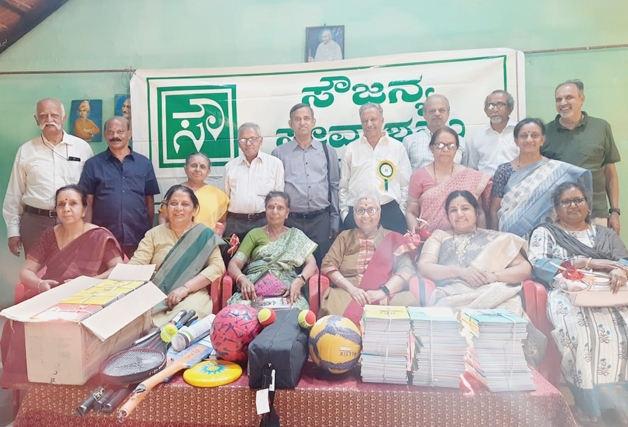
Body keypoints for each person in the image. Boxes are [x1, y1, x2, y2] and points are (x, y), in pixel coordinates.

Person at [0, 185, 124, 386]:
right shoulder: (49, 235)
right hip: (53, 296)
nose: (66, 208)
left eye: (73, 203)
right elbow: (26, 271)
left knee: (74, 330)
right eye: (61, 204)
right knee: (20, 325)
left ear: (84, 209)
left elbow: (118, 268)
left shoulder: (99, 235)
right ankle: (34, 382)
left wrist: (88, 282)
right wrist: (40, 284)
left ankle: (78, 379)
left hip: (88, 298)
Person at [528, 181, 628, 426]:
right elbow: (539, 264)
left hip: (609, 295)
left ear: (588, 205)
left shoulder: (605, 234)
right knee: (580, 334)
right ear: (556, 208)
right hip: (567, 295)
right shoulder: (546, 233)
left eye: (578, 200)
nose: (573, 205)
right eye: (566, 202)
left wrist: (620, 270)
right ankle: (588, 406)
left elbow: (623, 259)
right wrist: (585, 263)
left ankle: (617, 405)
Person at [4, 98, 93, 257]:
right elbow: (14, 193)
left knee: (73, 268)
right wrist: (13, 231)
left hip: (73, 221)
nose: (49, 120)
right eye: (43, 116)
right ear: (36, 119)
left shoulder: (82, 148)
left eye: (54, 115)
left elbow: (91, 190)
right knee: (36, 270)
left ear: (63, 118)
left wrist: (88, 224)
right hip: (35, 222)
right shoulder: (26, 150)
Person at [418, 190, 531, 316]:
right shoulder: (439, 236)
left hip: (492, 293)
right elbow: (424, 266)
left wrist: (494, 276)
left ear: (476, 212)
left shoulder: (497, 239)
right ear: (447, 216)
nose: (459, 214)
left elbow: (524, 267)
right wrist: (460, 272)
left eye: (465, 208)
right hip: (453, 296)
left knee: (507, 316)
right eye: (453, 210)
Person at [129, 185, 225, 326]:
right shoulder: (153, 234)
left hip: (191, 293)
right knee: (133, 316)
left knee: (189, 313)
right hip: (155, 292)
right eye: (174, 203)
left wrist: (185, 288)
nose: (179, 208)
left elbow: (217, 266)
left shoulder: (204, 235)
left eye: (185, 204)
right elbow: (137, 264)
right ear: (166, 208)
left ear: (194, 210)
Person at [320, 193, 418, 325]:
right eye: (360, 211)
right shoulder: (344, 237)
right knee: (332, 306)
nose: (365, 216)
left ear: (379, 213)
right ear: (354, 214)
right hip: (348, 294)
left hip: (385, 293)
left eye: (371, 210)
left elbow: (406, 269)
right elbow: (328, 265)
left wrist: (382, 292)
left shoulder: (393, 237)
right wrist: (352, 289)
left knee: (410, 302)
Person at [542, 80, 621, 234]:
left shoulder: (601, 127)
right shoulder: (545, 132)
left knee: (599, 250)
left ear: (582, 99)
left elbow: (610, 174)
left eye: (569, 97)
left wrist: (615, 211)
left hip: (596, 212)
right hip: (559, 214)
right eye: (558, 99)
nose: (563, 103)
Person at [489, 118, 591, 237]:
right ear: (516, 141)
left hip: (548, 236)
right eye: (523, 136)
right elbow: (494, 210)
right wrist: (497, 239)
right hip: (511, 237)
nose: (529, 140)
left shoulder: (556, 170)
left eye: (535, 135)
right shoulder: (504, 170)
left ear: (542, 140)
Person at [79, 116, 160, 258]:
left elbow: (149, 201)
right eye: (110, 132)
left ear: (129, 133)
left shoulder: (144, 163)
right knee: (106, 272)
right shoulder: (93, 164)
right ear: (105, 135)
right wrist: (89, 233)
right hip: (104, 237)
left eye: (120, 132)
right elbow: (88, 203)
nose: (115, 136)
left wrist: (147, 231)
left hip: (138, 237)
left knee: (136, 272)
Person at [272, 103, 340, 265]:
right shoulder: (279, 153)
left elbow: (334, 186)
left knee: (323, 267)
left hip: (321, 221)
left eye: (306, 118)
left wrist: (335, 220)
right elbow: (276, 193)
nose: (302, 123)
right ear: (291, 124)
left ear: (313, 122)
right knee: (293, 268)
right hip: (292, 222)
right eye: (297, 119)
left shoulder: (327, 150)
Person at [227, 191, 317, 311]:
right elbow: (234, 264)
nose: (275, 212)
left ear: (287, 213)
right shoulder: (254, 234)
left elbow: (311, 263)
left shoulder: (296, 236)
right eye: (270, 207)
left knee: (297, 310)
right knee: (239, 312)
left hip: (286, 290)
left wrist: (299, 281)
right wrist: (243, 280)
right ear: (265, 211)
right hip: (254, 290)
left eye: (280, 208)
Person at [340, 103, 411, 235]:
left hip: (390, 212)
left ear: (382, 120)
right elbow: (343, 186)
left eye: (373, 119)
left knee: (393, 249)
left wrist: (401, 211)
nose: (369, 124)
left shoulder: (397, 148)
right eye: (365, 121)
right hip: (358, 213)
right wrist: (345, 214)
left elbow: (405, 185)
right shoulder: (351, 149)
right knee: (359, 249)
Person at [406, 127, 492, 233]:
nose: (445, 150)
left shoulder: (471, 176)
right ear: (431, 148)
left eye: (451, 146)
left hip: (467, 238)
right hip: (429, 238)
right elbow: (411, 212)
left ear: (456, 149)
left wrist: (479, 238)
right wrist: (417, 237)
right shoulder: (419, 175)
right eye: (440, 145)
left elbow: (480, 212)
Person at [224, 122, 284, 242]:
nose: (248, 143)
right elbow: (225, 199)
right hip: (235, 223)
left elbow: (279, 198)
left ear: (261, 141)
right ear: (238, 143)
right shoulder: (230, 166)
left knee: (263, 254)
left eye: (253, 139)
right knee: (234, 254)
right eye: (243, 140)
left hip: (263, 222)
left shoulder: (274, 164)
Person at [158, 152, 228, 232]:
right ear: (185, 168)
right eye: (194, 166)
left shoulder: (218, 195)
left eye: (202, 167)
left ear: (208, 172)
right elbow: (163, 217)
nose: (197, 170)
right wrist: (166, 236)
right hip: (176, 238)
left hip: (208, 238)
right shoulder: (175, 192)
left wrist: (216, 236)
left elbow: (222, 221)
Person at [402, 94, 468, 171]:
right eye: (432, 111)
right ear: (424, 114)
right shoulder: (409, 141)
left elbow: (466, 173)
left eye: (441, 110)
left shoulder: (461, 142)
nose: (437, 113)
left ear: (448, 113)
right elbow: (405, 174)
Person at [466, 90, 518, 174]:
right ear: (486, 111)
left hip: (515, 181)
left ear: (510, 109)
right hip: (486, 181)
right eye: (491, 105)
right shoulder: (478, 135)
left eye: (500, 105)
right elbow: (473, 169)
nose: (495, 110)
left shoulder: (521, 132)